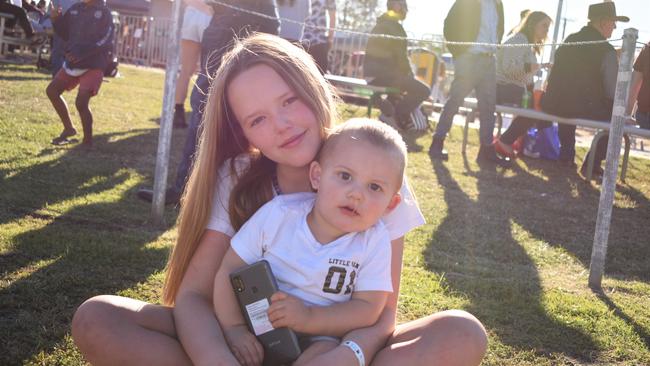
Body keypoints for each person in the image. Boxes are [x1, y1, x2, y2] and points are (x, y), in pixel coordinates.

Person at [71, 33, 488, 366]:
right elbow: (195, 297)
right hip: (247, 345)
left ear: (312, 88)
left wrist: (349, 355)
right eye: (258, 119)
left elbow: (381, 314)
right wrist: (219, 356)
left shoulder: (374, 171)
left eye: (288, 100)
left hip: (334, 348)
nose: (282, 125)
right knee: (99, 319)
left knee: (461, 332)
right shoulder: (236, 176)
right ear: (244, 132)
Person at [214, 119, 405, 365]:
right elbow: (230, 269)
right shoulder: (278, 215)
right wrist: (234, 328)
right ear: (317, 176)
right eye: (345, 176)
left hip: (322, 335)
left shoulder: (374, 241)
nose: (356, 193)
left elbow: (368, 308)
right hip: (258, 324)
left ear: (390, 204)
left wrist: (309, 318)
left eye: (375, 187)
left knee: (325, 355)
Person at [136, 0, 280, 205]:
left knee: (249, 122)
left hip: (253, 34)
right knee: (202, 114)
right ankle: (184, 189)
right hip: (221, 31)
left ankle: (245, 194)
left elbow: (271, 25)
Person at [541, 2, 629, 177]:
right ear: (603, 22)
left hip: (555, 103)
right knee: (617, 118)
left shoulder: (569, 41)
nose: (615, 27)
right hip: (585, 107)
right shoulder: (607, 50)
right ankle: (592, 163)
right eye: (613, 22)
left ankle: (566, 157)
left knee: (568, 102)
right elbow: (612, 90)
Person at [428, 0, 511, 167]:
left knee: (488, 107)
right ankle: (437, 142)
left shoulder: (498, 4)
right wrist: (460, 53)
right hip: (469, 59)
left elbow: (498, 29)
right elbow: (449, 24)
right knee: (455, 101)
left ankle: (486, 150)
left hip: (489, 60)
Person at [45, 0, 114, 148]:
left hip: (94, 64)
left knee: (81, 103)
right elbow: (64, 33)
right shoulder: (75, 8)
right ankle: (69, 129)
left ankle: (87, 142)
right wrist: (55, 19)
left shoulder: (105, 13)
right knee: (52, 91)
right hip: (73, 62)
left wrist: (82, 52)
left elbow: (106, 40)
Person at [492, 11, 553, 157]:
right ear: (532, 25)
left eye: (548, 27)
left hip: (509, 88)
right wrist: (535, 66)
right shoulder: (520, 39)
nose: (546, 30)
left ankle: (509, 141)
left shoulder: (526, 43)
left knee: (538, 104)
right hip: (500, 87)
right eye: (544, 25)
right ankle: (505, 141)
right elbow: (509, 68)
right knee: (536, 107)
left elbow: (521, 74)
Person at [363, 0, 430, 130]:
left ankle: (389, 114)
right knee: (423, 90)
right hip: (384, 76)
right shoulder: (396, 28)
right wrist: (410, 76)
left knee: (402, 85)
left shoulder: (380, 24)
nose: (406, 11)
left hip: (370, 75)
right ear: (397, 6)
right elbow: (402, 59)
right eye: (405, 7)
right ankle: (396, 115)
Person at [172, 0, 213, 129]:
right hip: (210, 14)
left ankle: (178, 113)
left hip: (191, 13)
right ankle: (205, 115)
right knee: (210, 70)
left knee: (185, 71)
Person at [302, 0, 336, 74]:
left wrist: (330, 38)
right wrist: (330, 38)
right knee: (319, 76)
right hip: (318, 41)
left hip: (302, 39)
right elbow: (332, 16)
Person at [48, 0, 79, 76]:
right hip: (61, 24)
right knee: (58, 52)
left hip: (78, 26)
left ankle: (67, 75)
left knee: (74, 53)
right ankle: (58, 76)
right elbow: (52, 10)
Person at [626, 42, 650, 129]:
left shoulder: (647, 49)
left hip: (644, 115)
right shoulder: (647, 49)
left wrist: (627, 115)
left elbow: (635, 85)